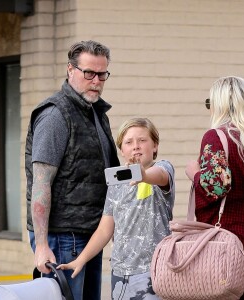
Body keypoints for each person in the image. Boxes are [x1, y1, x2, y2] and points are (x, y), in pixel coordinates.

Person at [25, 40, 120, 300]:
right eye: (89, 73)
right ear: (70, 70)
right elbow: (41, 183)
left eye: (102, 74)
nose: (97, 80)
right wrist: (42, 245)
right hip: (62, 237)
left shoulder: (96, 113)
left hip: (89, 235)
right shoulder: (56, 115)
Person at [185, 76, 244, 299]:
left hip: (233, 246)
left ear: (219, 104)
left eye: (210, 103)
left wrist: (195, 173)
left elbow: (216, 186)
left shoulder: (216, 137)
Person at [58, 117, 175, 299]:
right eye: (129, 142)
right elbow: (105, 230)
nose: (136, 146)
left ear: (155, 146)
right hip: (120, 275)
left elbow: (159, 176)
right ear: (122, 150)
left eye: (142, 140)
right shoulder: (116, 183)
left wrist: (142, 175)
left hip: (153, 272)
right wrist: (80, 260)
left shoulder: (162, 168)